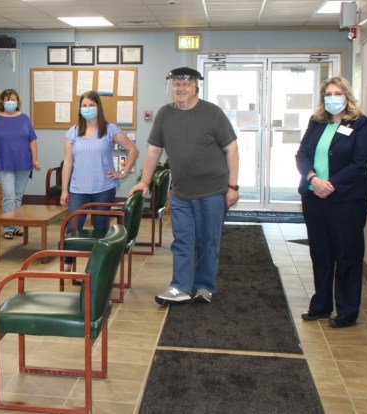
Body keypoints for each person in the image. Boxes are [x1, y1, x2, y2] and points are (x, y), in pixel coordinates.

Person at [128, 67, 239, 306]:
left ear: (196, 87)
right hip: (181, 193)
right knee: (182, 240)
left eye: (185, 84)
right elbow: (153, 151)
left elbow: (232, 149)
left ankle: (204, 287)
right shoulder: (164, 115)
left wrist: (233, 186)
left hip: (213, 191)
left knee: (207, 242)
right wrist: (143, 182)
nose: (180, 89)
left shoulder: (213, 113)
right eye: (177, 85)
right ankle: (180, 287)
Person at [296, 76, 367, 328]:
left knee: (347, 253)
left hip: (347, 200)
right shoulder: (317, 122)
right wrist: (313, 179)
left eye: (338, 93)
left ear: (347, 96)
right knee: (320, 252)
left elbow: (361, 163)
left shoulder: (361, 124)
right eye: (328, 93)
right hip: (314, 197)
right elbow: (302, 154)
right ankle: (321, 305)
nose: (333, 98)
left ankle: (347, 310)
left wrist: (330, 185)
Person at [60, 91, 139, 270]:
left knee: (100, 227)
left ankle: (99, 266)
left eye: (91, 105)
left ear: (98, 107)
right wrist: (65, 189)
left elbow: (133, 150)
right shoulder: (73, 132)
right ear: (80, 109)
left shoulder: (109, 129)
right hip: (78, 188)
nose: (88, 109)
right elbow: (68, 161)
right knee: (73, 227)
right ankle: (68, 263)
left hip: (103, 188)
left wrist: (123, 172)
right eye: (85, 105)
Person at [0, 89, 41, 239]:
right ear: (2, 102)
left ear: (18, 102)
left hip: (23, 162)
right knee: (8, 195)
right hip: (4, 162)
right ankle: (8, 227)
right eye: (8, 100)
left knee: (17, 196)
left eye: (13, 100)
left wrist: (35, 160)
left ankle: (15, 225)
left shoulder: (24, 118)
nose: (11, 103)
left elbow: (32, 140)